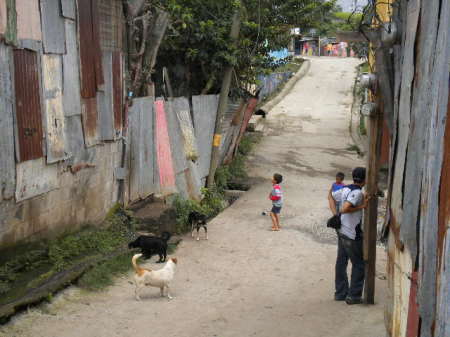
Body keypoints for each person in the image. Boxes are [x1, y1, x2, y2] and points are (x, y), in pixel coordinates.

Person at [334, 167, 369, 305]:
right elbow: (345, 208)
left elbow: (330, 195)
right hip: (351, 234)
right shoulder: (357, 192)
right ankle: (353, 296)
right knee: (359, 264)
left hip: (341, 230)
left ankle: (340, 293)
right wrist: (362, 206)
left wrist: (335, 214)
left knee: (341, 262)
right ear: (365, 179)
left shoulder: (345, 188)